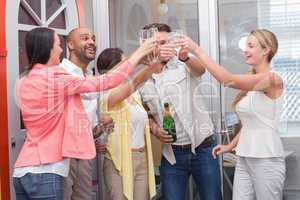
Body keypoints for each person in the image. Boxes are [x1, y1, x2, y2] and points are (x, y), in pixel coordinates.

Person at [12, 27, 156, 200]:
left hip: (22, 169)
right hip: (47, 169)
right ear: (48, 48)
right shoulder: (56, 77)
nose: (60, 50)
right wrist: (141, 51)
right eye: (58, 45)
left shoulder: (24, 80)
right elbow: (107, 81)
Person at [186, 29, 286, 200]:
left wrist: (196, 50)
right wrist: (230, 146)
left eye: (251, 45)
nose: (245, 50)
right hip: (244, 157)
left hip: (267, 158)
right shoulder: (253, 82)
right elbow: (250, 125)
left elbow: (228, 80)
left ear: (266, 50)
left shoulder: (272, 79)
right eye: (245, 45)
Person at [139, 23, 222, 200]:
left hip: (203, 149)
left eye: (167, 42)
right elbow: (145, 112)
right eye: (159, 42)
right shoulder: (143, 77)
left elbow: (201, 70)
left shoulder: (182, 63)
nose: (164, 46)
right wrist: (155, 129)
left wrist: (185, 57)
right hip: (172, 154)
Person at [97, 47, 159, 200]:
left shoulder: (135, 95)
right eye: (125, 63)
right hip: (119, 161)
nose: (128, 66)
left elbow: (142, 120)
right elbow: (136, 81)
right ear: (113, 68)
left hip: (141, 157)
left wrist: (154, 127)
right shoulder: (106, 95)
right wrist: (150, 67)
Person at [60, 27, 114, 200]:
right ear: (70, 44)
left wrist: (100, 129)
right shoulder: (61, 72)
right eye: (84, 38)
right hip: (63, 154)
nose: (91, 42)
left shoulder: (90, 76)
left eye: (93, 38)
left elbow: (87, 122)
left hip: (84, 153)